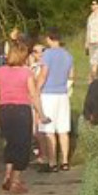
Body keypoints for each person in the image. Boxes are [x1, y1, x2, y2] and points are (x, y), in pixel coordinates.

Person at [0, 41, 46, 195]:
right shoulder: (26, 72)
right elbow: (33, 94)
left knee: (10, 143)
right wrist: (41, 113)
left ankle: (7, 174)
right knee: (22, 145)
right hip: (21, 109)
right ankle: (16, 180)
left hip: (4, 110)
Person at [36, 29, 74, 171]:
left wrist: (37, 89)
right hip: (62, 93)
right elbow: (71, 74)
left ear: (49, 39)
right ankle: (64, 161)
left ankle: (52, 161)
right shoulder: (68, 55)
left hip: (48, 93)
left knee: (49, 130)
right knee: (63, 129)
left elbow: (44, 74)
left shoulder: (47, 54)